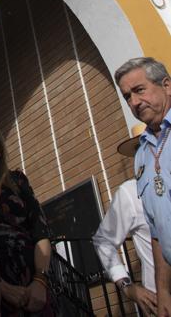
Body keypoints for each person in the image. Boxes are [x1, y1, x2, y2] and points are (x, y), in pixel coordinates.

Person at [0, 113, 55, 316]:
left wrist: (40, 281)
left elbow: (41, 233)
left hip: (34, 292)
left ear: (0, 149)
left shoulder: (17, 181)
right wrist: (0, 288)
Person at [116, 57, 171, 317]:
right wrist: (163, 292)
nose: (134, 103)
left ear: (167, 85)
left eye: (139, 90)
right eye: (127, 97)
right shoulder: (142, 154)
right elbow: (157, 230)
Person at [93, 124, 157, 315]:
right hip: (159, 300)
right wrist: (127, 285)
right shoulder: (130, 192)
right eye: (141, 148)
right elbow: (103, 240)